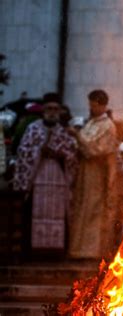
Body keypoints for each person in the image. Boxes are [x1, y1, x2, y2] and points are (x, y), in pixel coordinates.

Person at [12, 93, 77, 253]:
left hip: (58, 178)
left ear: (60, 111)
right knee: (35, 213)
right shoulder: (33, 129)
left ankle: (55, 252)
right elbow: (23, 152)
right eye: (49, 108)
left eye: (55, 108)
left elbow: (72, 156)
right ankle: (34, 250)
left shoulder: (63, 132)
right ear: (43, 110)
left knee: (58, 213)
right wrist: (39, 151)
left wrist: (60, 155)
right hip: (37, 177)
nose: (52, 111)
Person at [68, 89, 118, 259]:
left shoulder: (107, 125)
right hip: (85, 169)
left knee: (93, 208)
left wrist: (77, 136)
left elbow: (96, 149)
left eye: (94, 105)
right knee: (82, 206)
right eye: (90, 105)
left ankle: (91, 250)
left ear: (102, 105)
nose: (91, 108)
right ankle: (78, 248)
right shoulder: (92, 122)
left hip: (97, 170)